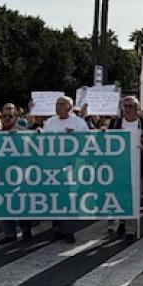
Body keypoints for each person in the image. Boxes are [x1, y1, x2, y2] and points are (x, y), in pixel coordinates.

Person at [40, 95, 90, 243]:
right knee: (55, 197)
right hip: (53, 166)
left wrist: (74, 137)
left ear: (70, 107)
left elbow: (87, 141)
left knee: (68, 198)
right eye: (57, 103)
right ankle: (57, 229)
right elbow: (44, 142)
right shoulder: (50, 122)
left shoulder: (78, 123)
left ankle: (68, 230)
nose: (58, 106)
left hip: (71, 166)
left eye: (61, 104)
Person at [106, 96, 143, 240]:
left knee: (132, 197)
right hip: (118, 166)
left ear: (137, 109)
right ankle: (121, 221)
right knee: (118, 196)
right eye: (125, 106)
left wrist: (142, 147)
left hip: (137, 166)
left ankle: (131, 230)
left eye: (130, 106)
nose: (127, 109)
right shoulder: (115, 123)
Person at [0, 103, 33, 244]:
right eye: (4, 116)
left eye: (10, 116)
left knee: (21, 203)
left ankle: (26, 230)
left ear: (16, 117)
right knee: (5, 203)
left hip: (20, 175)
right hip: (0, 175)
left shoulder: (24, 132)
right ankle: (9, 233)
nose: (7, 118)